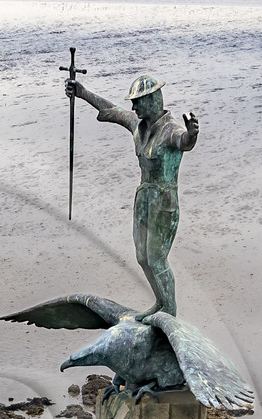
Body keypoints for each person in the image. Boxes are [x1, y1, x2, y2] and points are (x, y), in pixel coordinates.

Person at [65, 74, 198, 321]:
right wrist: (82, 92)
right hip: (143, 198)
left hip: (163, 201)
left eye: (138, 102)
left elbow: (184, 142)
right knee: (142, 257)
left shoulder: (170, 130)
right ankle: (160, 300)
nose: (133, 107)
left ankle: (170, 309)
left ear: (151, 100)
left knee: (157, 259)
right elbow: (112, 111)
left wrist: (192, 134)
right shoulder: (138, 126)